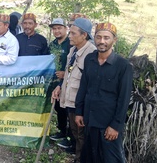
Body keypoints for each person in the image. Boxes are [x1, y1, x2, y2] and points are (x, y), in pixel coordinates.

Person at [75, 23, 133, 163]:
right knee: (90, 157)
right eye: (99, 37)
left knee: (109, 158)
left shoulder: (123, 66)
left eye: (106, 38)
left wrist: (115, 125)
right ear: (94, 38)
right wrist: (79, 111)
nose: (102, 41)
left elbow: (124, 98)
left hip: (108, 123)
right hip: (89, 119)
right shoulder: (90, 59)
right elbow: (83, 86)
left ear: (114, 40)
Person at [51, 18, 97, 162]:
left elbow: (90, 83)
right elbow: (69, 73)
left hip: (80, 102)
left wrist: (82, 107)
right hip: (70, 98)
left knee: (81, 135)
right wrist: (59, 86)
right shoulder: (73, 50)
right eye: (70, 33)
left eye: (73, 33)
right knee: (76, 134)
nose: (69, 36)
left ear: (84, 35)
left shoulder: (92, 53)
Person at [47, 18, 73, 152]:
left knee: (66, 109)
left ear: (66, 29)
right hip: (53, 82)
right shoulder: (52, 45)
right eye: (54, 28)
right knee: (58, 107)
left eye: (59, 28)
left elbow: (74, 63)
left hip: (67, 83)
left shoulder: (70, 44)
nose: (56, 31)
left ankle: (70, 136)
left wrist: (66, 73)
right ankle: (61, 131)